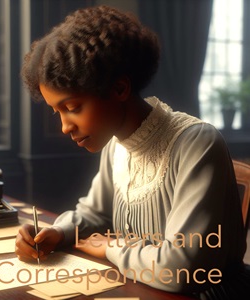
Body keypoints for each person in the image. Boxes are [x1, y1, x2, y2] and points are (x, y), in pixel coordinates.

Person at [15, 5, 250, 299]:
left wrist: (112, 247)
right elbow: (94, 213)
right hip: (138, 284)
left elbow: (182, 270)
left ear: (119, 88)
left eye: (73, 108)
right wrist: (58, 232)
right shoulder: (116, 144)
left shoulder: (197, 143)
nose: (64, 127)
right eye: (57, 112)